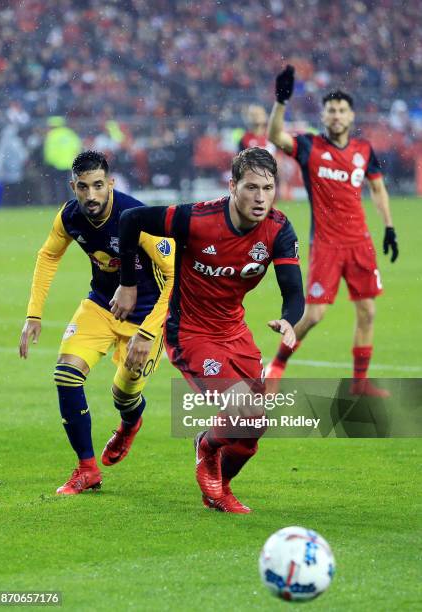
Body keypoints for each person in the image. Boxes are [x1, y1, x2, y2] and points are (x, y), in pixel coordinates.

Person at [111, 147, 305, 513]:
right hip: (191, 333)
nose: (260, 197)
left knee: (252, 433)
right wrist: (128, 283)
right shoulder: (197, 219)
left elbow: (294, 291)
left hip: (235, 332)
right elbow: (132, 219)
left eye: (267, 188)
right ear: (232, 186)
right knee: (243, 411)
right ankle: (207, 447)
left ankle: (220, 485)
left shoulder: (278, 229)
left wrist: (288, 320)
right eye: (251, 188)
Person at [19, 151, 174, 494]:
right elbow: (47, 256)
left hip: (146, 316)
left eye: (99, 186)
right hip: (101, 304)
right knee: (66, 375)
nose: (91, 195)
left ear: (111, 184)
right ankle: (87, 468)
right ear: (73, 186)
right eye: (84, 187)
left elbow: (174, 275)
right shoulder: (70, 216)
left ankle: (130, 422)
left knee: (124, 395)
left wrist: (149, 332)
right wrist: (33, 314)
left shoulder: (137, 217)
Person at [265, 66, 399, 396]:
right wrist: (281, 102)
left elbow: (378, 189)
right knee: (314, 316)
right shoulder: (310, 146)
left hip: (360, 243)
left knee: (368, 311)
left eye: (342, 110)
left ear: (351, 115)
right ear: (323, 115)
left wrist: (390, 227)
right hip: (326, 245)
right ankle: (277, 365)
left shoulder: (364, 151)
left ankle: (359, 384)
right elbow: (275, 137)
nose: (336, 115)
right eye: (331, 110)